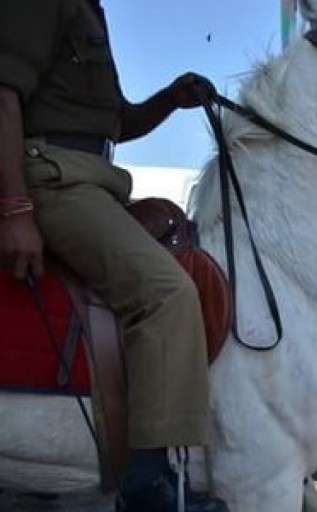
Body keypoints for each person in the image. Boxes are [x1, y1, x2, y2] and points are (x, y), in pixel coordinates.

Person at [0, 2, 226, 510]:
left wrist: (171, 98)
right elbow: (3, 94)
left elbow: (118, 123)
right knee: (166, 292)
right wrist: (14, 207)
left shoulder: (90, 12)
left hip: (100, 181)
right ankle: (148, 484)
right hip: (54, 177)